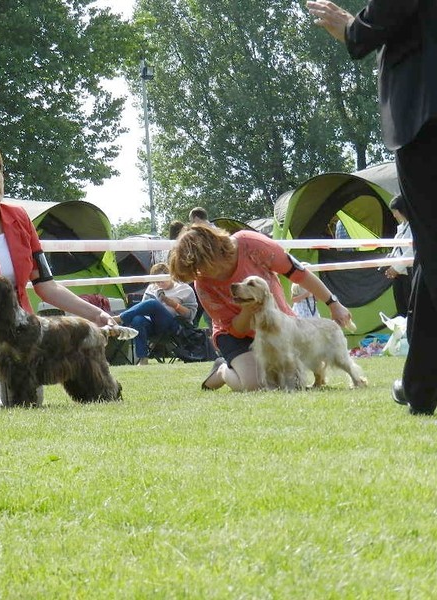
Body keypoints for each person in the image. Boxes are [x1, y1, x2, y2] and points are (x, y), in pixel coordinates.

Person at [306, 0, 437, 414]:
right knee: (429, 253)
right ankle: (420, 384)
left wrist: (355, 30)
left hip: (426, 112)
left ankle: (421, 384)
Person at [0, 142, 114, 409]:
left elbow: (47, 286)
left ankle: (0, 384)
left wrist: (96, 314)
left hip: (15, 326)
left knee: (28, 400)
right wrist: (4, 312)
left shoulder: (20, 219)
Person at [169, 225, 353, 392]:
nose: (200, 274)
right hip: (235, 335)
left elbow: (298, 273)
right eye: (195, 271)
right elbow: (236, 330)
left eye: (200, 267)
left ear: (211, 252)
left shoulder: (252, 244)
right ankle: (223, 370)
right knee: (256, 385)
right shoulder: (202, 284)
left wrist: (333, 303)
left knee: (283, 379)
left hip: (277, 322)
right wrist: (248, 310)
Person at [115, 263, 198, 365]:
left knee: (153, 303)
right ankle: (143, 358)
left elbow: (190, 315)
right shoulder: (151, 288)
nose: (159, 284)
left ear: (170, 276)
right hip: (153, 325)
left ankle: (120, 318)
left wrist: (174, 305)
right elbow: (143, 309)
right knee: (137, 319)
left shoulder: (184, 289)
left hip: (174, 326)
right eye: (157, 282)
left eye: (162, 281)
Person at [382, 195, 413, 317]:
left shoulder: (414, 226)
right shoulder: (401, 228)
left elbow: (412, 250)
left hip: (409, 273)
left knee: (412, 308)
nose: (394, 215)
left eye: (395, 211)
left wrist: (396, 268)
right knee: (401, 309)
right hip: (399, 276)